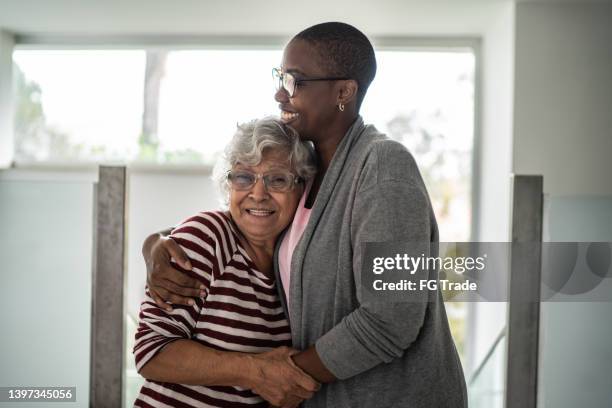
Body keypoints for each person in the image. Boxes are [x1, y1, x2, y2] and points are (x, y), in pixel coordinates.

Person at [144, 22, 468, 407]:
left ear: (344, 92)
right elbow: (245, 218)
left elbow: (392, 317)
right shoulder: (311, 170)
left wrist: (279, 373)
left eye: (295, 81)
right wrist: (157, 244)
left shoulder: (382, 164)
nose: (280, 92)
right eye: (281, 77)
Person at [133, 117, 320, 407]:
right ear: (228, 184)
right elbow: (150, 352)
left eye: (278, 179)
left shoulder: (296, 262)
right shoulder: (207, 236)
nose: (258, 194)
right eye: (244, 177)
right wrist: (255, 371)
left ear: (302, 188)